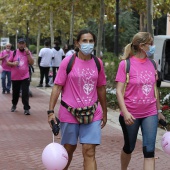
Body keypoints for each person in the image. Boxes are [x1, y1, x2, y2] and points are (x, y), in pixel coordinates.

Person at [47, 29, 107, 170]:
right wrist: (50, 111)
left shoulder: (98, 63)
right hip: (69, 112)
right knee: (67, 150)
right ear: (77, 43)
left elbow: (101, 88)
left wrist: (104, 111)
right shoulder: (68, 62)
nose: (88, 44)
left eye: (91, 41)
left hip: (92, 113)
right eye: (84, 41)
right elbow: (57, 87)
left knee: (89, 151)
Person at [115, 32, 166, 170]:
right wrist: (125, 113)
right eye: (151, 43)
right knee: (129, 147)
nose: (153, 46)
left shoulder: (153, 64)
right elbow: (119, 91)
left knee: (149, 151)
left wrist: (159, 111)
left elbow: (154, 89)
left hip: (150, 113)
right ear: (142, 46)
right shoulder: (125, 64)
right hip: (131, 114)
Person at [7, 38, 34, 115]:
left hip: (25, 76)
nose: (21, 45)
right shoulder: (14, 52)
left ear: (25, 44)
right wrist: (13, 64)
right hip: (15, 77)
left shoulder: (28, 52)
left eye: (23, 43)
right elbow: (8, 62)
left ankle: (26, 108)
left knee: (25, 93)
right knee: (15, 93)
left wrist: (28, 53)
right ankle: (14, 104)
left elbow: (31, 63)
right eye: (20, 43)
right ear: (18, 44)